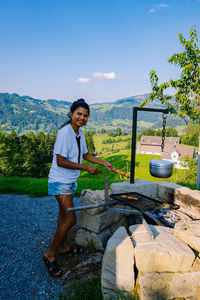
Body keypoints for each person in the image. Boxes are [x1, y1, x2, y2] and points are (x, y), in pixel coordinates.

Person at [43, 98, 115, 276]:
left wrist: (103, 162)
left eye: (85, 115)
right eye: (79, 114)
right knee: (71, 220)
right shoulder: (64, 133)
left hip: (69, 181)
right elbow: (60, 161)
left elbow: (86, 155)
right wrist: (86, 167)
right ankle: (50, 254)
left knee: (63, 216)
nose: (82, 118)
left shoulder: (79, 134)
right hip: (60, 181)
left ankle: (64, 247)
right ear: (71, 114)